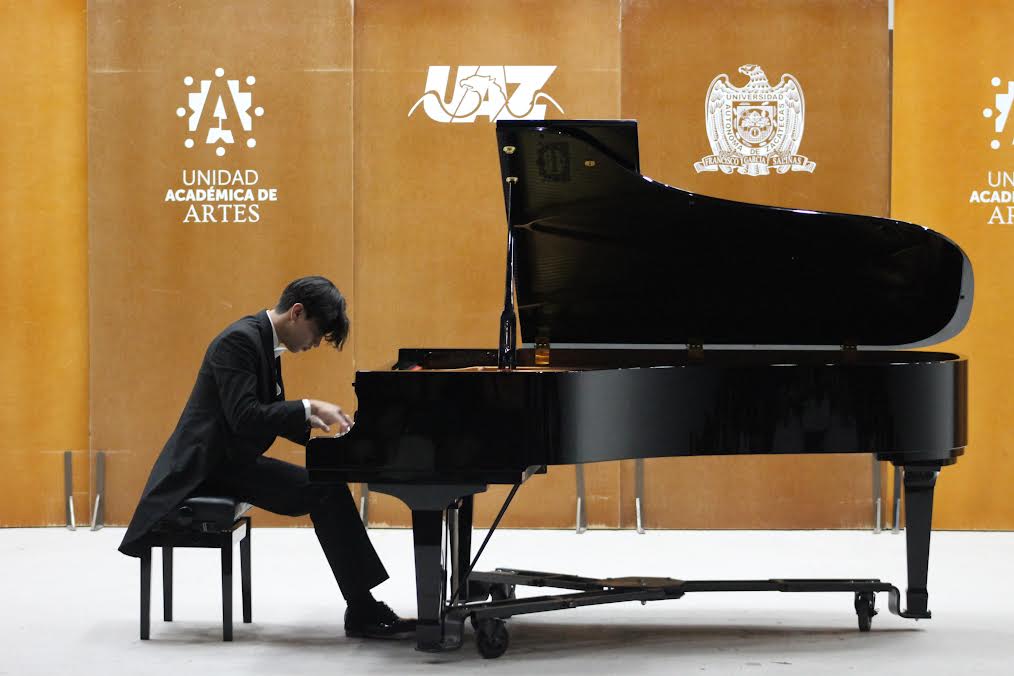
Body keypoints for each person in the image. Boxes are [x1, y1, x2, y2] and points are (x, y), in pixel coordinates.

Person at [119, 275, 414, 639]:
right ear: (297, 312)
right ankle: (363, 610)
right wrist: (307, 407)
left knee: (327, 486)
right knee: (325, 489)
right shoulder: (239, 341)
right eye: (317, 333)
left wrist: (312, 422)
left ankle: (362, 608)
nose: (315, 343)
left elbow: (264, 413)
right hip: (203, 470)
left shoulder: (262, 341)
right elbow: (244, 416)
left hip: (229, 462)